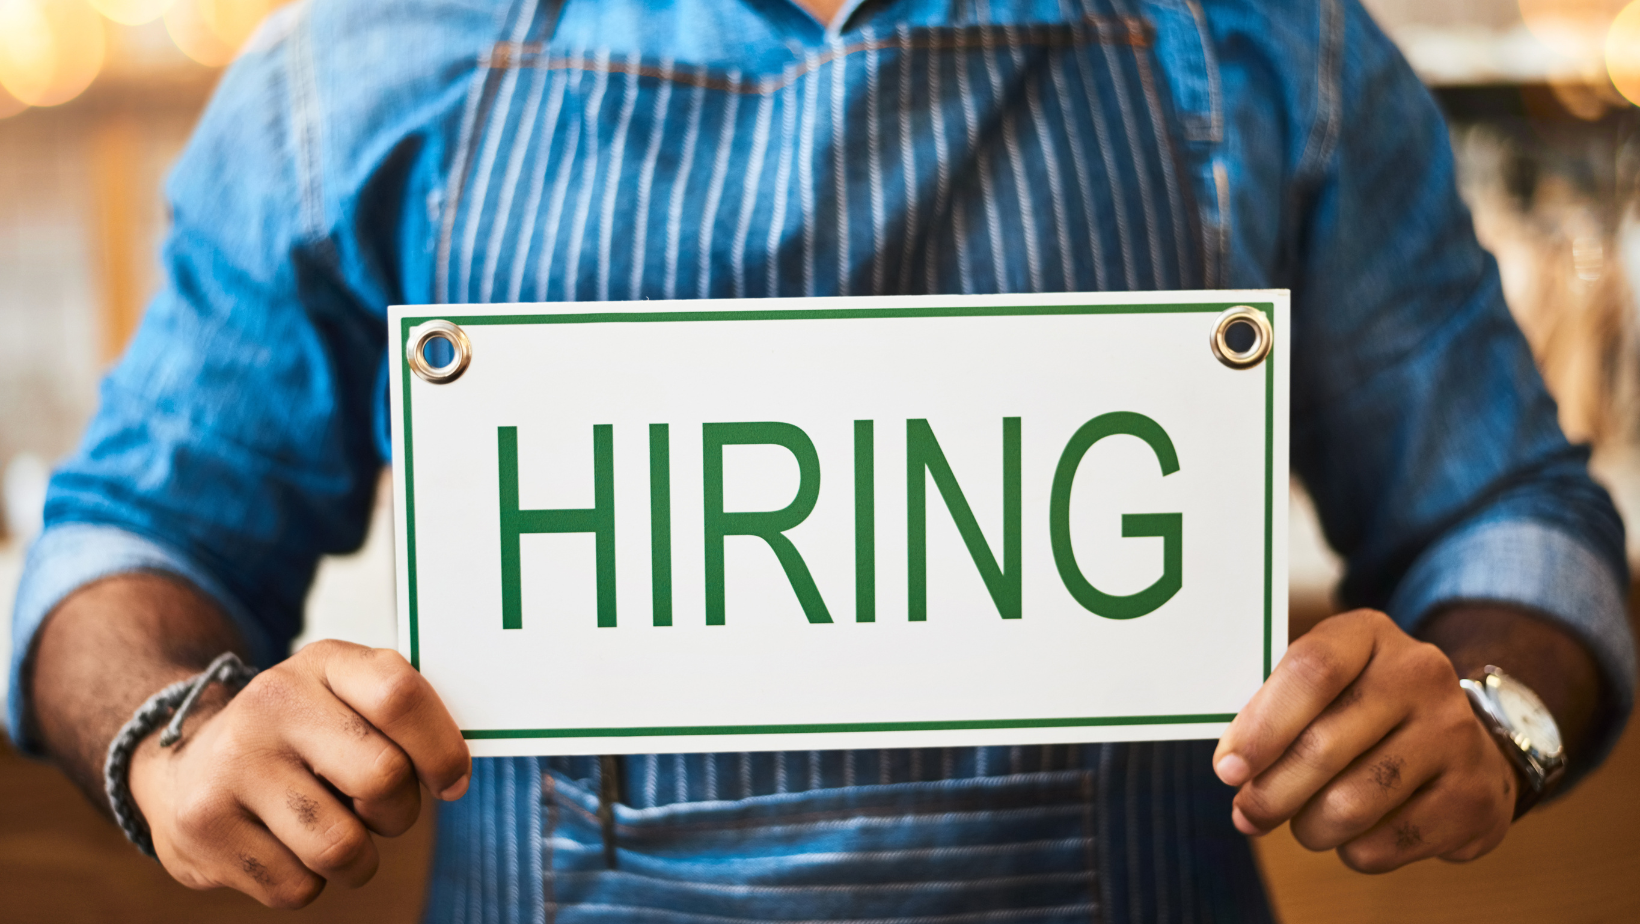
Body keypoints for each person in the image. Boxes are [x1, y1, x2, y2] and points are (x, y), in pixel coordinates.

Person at [8, 0, 1635, 920]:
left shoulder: (1275, 53)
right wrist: (173, 737)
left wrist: (1496, 715)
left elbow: (1508, 516)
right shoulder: (350, 78)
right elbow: (127, 541)